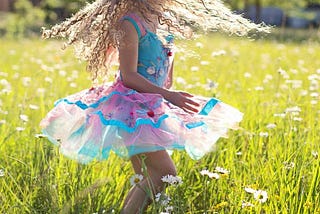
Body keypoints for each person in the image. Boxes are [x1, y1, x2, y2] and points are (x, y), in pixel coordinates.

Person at [40, 0, 269, 213]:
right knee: (166, 173)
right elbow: (128, 76)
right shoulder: (129, 23)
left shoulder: (164, 23)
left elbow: (164, 75)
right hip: (131, 110)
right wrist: (169, 94)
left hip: (153, 107)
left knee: (147, 179)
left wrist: (169, 94)